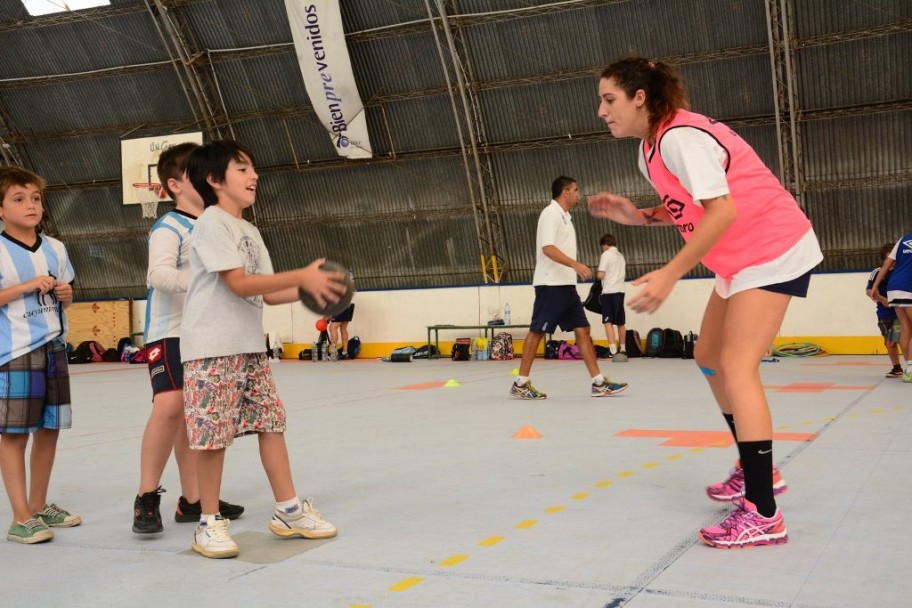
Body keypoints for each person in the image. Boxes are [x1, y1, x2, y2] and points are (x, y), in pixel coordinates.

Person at [589, 57, 823, 548]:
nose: (601, 110)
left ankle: (763, 512)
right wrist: (640, 217)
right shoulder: (651, 149)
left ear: (639, 97)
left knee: (738, 367)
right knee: (708, 357)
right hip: (738, 260)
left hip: (771, 249)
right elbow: (690, 208)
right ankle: (755, 464)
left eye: (609, 99)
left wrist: (671, 274)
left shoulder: (679, 137)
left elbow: (722, 210)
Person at [182, 140, 345, 558]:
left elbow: (268, 295)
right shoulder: (212, 223)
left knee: (272, 423)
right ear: (215, 180)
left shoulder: (250, 231)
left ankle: (289, 510)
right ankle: (208, 523)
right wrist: (301, 276)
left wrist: (312, 292)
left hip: (250, 348)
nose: (253, 175)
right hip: (212, 348)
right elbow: (238, 284)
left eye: (253, 168)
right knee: (213, 439)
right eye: (242, 169)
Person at [133, 143, 244, 534]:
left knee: (192, 415)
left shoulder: (218, 224)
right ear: (175, 185)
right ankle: (147, 496)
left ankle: (193, 500)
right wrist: (202, 282)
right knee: (168, 407)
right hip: (170, 333)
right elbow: (158, 276)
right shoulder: (168, 227)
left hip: (206, 334)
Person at [0, 166, 80, 544]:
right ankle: (19, 516)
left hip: (54, 347)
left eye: (35, 198)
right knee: (15, 435)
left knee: (49, 429)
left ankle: (38, 504)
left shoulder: (56, 248)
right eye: (18, 198)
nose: (31, 205)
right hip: (15, 353)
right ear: (0, 208)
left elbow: (69, 290)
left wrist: (66, 294)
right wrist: (25, 286)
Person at [509, 176, 627, 400]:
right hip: (550, 284)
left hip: (566, 286)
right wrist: (576, 265)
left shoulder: (566, 217)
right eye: (575, 190)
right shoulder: (550, 214)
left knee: (583, 330)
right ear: (565, 192)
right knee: (537, 330)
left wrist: (572, 271)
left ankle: (598, 382)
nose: (578, 194)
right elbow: (548, 248)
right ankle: (521, 382)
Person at [870, 232, 912, 382]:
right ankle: (911, 369)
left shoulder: (903, 239)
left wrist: (875, 286)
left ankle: (908, 369)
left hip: (894, 288)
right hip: (909, 287)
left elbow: (886, 265)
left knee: (906, 328)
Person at [866, 242, 903, 378]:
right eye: (889, 259)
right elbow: (869, 290)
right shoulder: (877, 273)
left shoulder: (902, 272)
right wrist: (880, 298)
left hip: (902, 312)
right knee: (890, 342)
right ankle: (897, 368)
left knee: (904, 340)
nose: (892, 263)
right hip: (885, 314)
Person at [596, 234, 626, 358]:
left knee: (607, 321)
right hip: (620, 291)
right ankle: (623, 349)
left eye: (602, 246)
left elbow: (601, 275)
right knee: (620, 322)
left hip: (609, 291)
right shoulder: (621, 256)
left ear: (605, 244)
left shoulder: (606, 255)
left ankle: (612, 350)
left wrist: (597, 275)